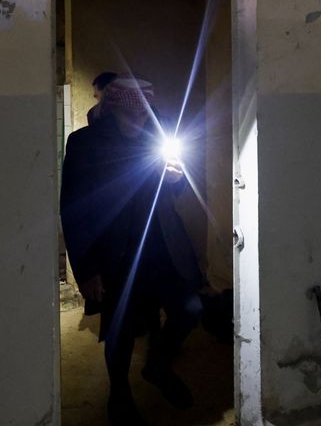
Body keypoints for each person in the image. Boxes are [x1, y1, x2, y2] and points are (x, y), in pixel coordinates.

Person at [60, 75, 203, 425]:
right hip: (114, 252)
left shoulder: (157, 137)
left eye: (145, 113)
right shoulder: (85, 143)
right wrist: (87, 269)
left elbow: (174, 189)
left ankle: (157, 366)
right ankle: (119, 394)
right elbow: (73, 208)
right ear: (114, 109)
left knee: (189, 310)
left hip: (160, 245)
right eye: (133, 113)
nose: (140, 120)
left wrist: (176, 178)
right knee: (121, 330)